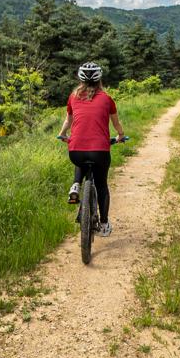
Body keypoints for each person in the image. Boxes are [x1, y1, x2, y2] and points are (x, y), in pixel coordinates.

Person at [57, 62, 125, 237]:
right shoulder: (107, 99)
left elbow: (68, 121)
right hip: (100, 152)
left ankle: (76, 185)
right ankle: (104, 224)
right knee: (101, 185)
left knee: (81, 156)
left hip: (76, 152)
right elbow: (116, 123)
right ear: (99, 79)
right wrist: (120, 135)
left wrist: (62, 134)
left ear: (80, 79)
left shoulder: (73, 97)